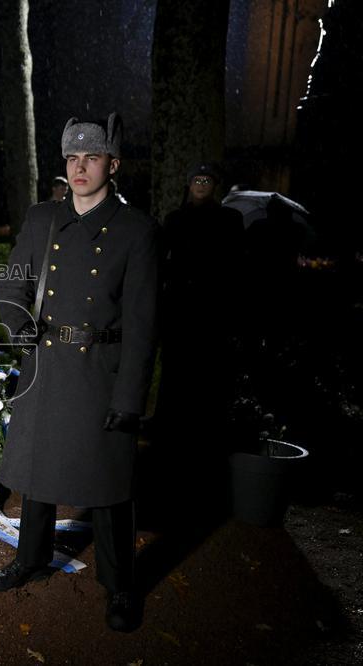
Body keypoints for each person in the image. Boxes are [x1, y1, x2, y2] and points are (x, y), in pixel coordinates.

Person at [0, 113, 159, 632]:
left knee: (107, 486)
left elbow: (143, 323)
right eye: (72, 158)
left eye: (91, 157)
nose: (80, 167)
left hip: (100, 370)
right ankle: (31, 557)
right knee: (38, 472)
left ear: (113, 163)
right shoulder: (43, 218)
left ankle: (119, 585)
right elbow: (12, 283)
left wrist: (129, 398)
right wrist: (18, 329)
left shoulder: (138, 231)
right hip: (46, 364)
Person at [156, 164, 245, 496]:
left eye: (208, 180)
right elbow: (163, 258)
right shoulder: (175, 219)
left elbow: (236, 265)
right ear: (189, 184)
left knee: (209, 376)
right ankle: (173, 434)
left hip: (212, 311)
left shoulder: (229, 220)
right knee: (177, 372)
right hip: (180, 310)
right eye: (197, 179)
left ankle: (205, 438)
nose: (202, 185)